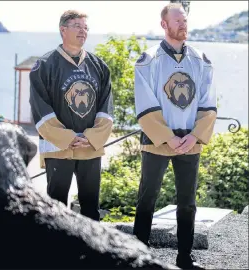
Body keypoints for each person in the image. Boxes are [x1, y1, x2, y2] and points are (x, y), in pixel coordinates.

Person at [133, 3, 216, 269]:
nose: (183, 24)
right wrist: (167, 136)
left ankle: (185, 257)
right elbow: (144, 102)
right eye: (177, 20)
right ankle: (137, 256)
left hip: (190, 143)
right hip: (157, 143)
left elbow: (208, 102)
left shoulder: (201, 59)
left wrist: (196, 136)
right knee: (147, 199)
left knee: (187, 203)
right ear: (164, 25)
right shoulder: (148, 59)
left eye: (185, 20)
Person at [29, 10, 114, 221]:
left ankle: (90, 253)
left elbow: (106, 107)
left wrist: (92, 137)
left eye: (85, 27)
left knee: (91, 208)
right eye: (77, 26)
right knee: (57, 209)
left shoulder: (99, 66)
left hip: (89, 148)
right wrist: (67, 138)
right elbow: (40, 108)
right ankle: (55, 254)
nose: (82, 31)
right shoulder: (45, 65)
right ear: (63, 29)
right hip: (58, 148)